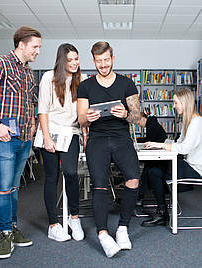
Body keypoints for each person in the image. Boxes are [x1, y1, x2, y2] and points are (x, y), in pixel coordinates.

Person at [0, 26, 41, 259]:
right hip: (4, 138)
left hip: (24, 138)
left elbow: (28, 101)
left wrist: (33, 123)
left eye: (39, 47)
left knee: (14, 187)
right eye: (35, 46)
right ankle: (4, 234)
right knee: (3, 188)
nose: (38, 51)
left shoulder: (27, 72)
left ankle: (13, 228)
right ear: (21, 45)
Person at [77, 41, 141, 258]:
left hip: (121, 138)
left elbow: (138, 117)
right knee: (100, 186)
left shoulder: (127, 84)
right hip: (98, 139)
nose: (103, 65)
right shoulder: (85, 86)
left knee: (133, 178)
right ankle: (103, 234)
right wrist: (87, 117)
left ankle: (123, 228)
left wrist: (125, 114)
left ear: (113, 59)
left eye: (106, 60)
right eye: (98, 61)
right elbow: (80, 119)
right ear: (93, 61)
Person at [37, 43, 86, 242]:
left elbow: (82, 112)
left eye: (76, 58)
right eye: (70, 59)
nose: (74, 63)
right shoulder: (48, 78)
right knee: (51, 177)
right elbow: (43, 110)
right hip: (50, 132)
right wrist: (47, 138)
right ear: (61, 61)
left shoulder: (81, 80)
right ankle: (53, 224)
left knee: (71, 173)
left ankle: (74, 218)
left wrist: (84, 134)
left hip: (71, 133)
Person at [141, 88, 202, 227]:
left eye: (176, 103)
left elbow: (184, 148)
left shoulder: (197, 122)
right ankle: (162, 213)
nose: (174, 106)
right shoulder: (187, 122)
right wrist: (158, 144)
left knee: (158, 166)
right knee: (153, 171)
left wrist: (159, 145)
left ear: (184, 102)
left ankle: (140, 194)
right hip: (188, 165)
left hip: (196, 169)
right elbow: (178, 143)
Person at [136, 113, 167, 205]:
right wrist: (138, 140)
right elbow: (149, 139)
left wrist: (138, 141)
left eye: (138, 123)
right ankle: (139, 195)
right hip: (159, 153)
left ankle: (139, 195)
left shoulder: (151, 126)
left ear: (142, 118)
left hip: (161, 156)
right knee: (147, 166)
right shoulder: (151, 124)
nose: (139, 125)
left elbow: (151, 141)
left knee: (148, 167)